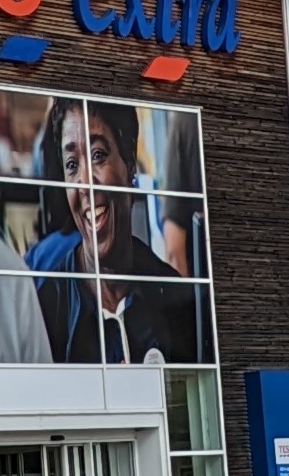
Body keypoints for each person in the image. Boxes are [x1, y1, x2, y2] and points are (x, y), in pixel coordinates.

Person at [26, 96, 207, 367]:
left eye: (98, 155)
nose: (85, 183)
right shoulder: (42, 310)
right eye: (72, 165)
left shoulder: (177, 301)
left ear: (130, 164)